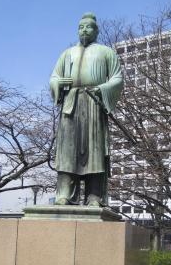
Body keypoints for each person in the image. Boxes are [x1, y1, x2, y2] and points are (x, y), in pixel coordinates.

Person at [50, 13, 123, 206]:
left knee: (95, 152)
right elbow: (54, 77)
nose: (84, 30)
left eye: (88, 27)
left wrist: (102, 89)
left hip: (94, 103)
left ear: (96, 31)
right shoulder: (67, 54)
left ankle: (94, 196)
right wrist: (58, 83)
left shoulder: (106, 52)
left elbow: (117, 79)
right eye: (81, 27)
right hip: (71, 104)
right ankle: (65, 194)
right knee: (67, 151)